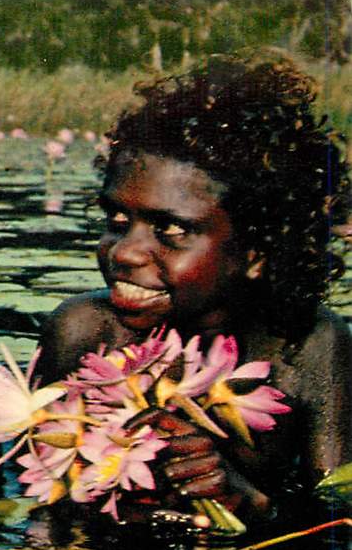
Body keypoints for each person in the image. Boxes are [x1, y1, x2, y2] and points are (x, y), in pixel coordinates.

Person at [35, 52, 351, 525]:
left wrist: (250, 501)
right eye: (118, 221)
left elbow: (340, 522)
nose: (124, 252)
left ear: (256, 254)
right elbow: (45, 503)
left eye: (172, 231)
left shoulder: (309, 347)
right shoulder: (81, 331)